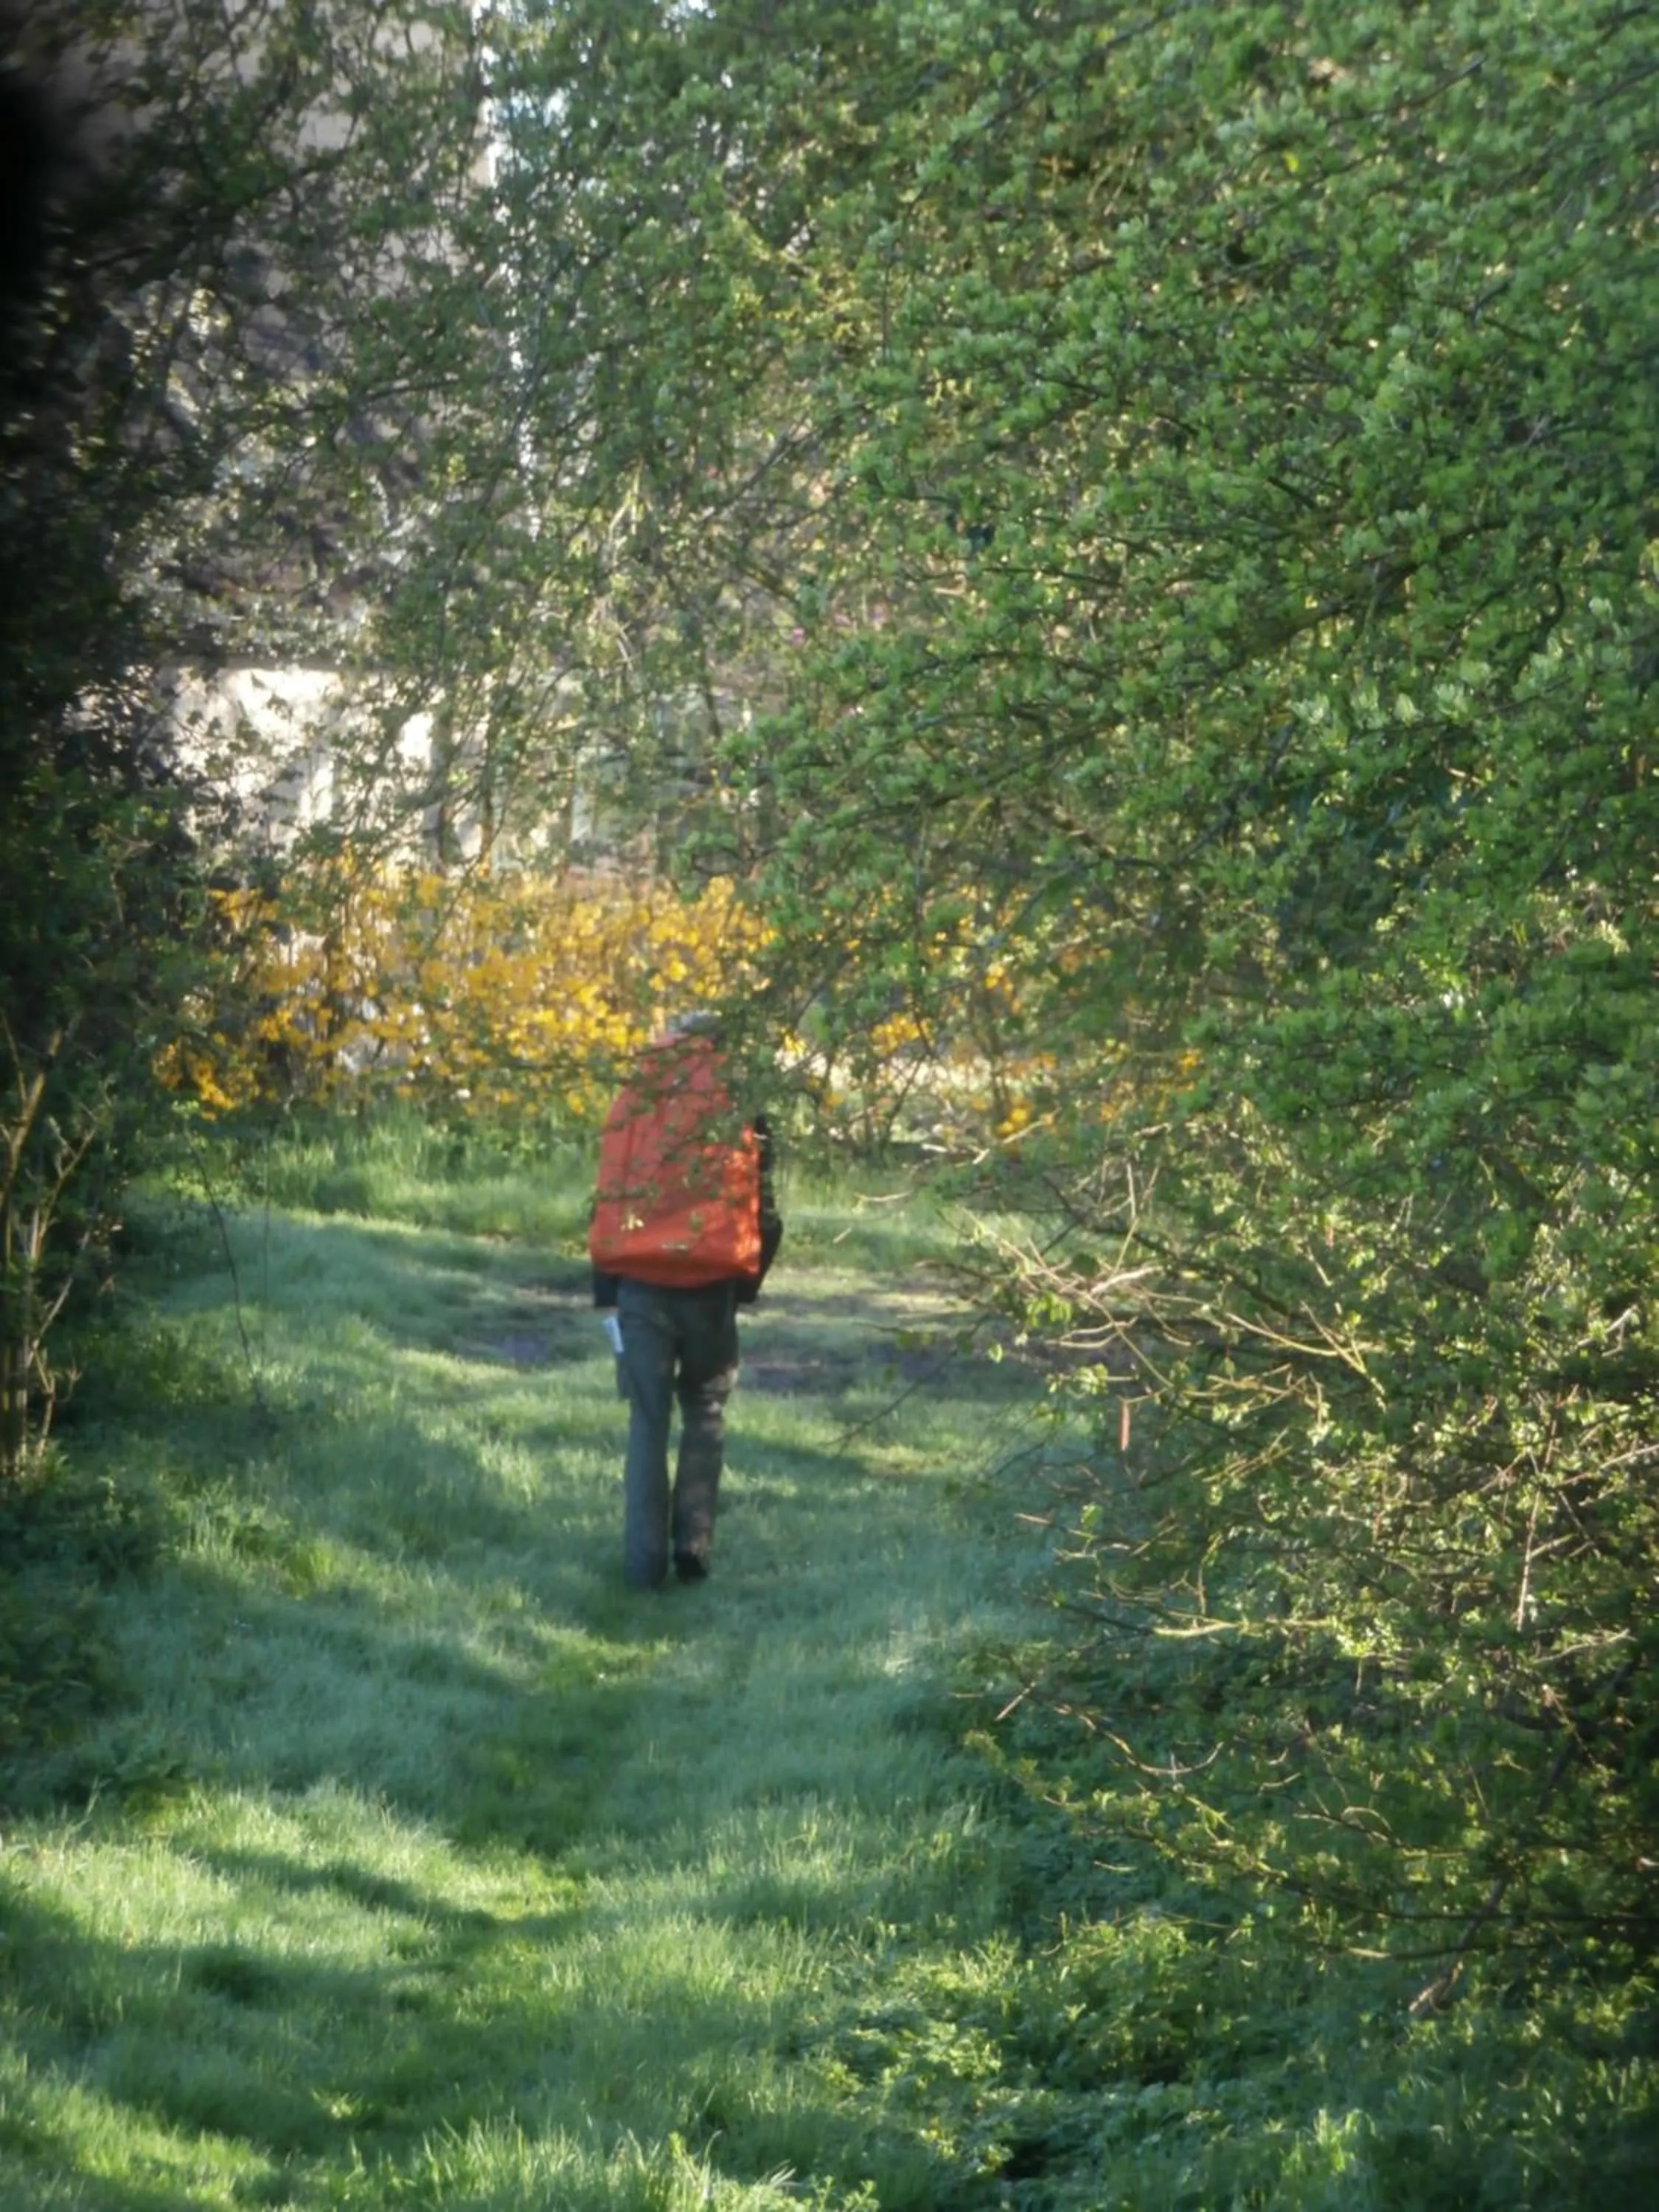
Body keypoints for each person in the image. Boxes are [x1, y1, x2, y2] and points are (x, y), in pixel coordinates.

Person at [589, 1014, 782, 1589]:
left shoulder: (636, 1095)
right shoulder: (740, 1100)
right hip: (711, 1283)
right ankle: (693, 1544)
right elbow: (766, 1209)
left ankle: (642, 1566)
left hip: (639, 1281)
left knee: (648, 1421)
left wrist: (606, 1290)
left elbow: (609, 1194)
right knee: (706, 1407)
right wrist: (744, 1284)